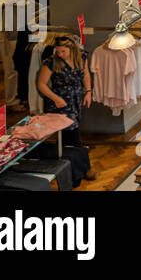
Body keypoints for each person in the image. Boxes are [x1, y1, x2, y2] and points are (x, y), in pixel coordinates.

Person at [35, 36, 96, 181]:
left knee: (67, 138)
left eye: (63, 51)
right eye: (58, 51)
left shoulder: (82, 57)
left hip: (76, 100)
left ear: (71, 49)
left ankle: (68, 168)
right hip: (60, 103)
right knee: (73, 135)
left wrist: (88, 91)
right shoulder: (51, 62)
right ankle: (84, 169)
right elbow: (41, 84)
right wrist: (56, 99)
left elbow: (86, 75)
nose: (60, 54)